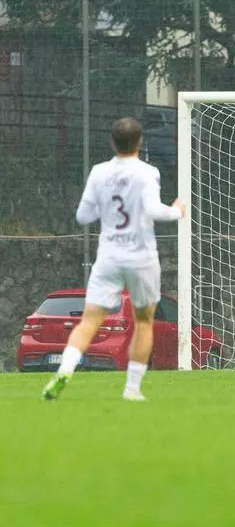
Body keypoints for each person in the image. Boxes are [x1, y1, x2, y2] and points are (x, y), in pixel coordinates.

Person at [42, 117, 185, 401]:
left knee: (89, 321)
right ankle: (132, 389)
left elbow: (83, 216)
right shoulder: (148, 172)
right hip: (141, 256)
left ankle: (64, 372)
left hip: (109, 256)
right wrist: (177, 211)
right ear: (140, 142)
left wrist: (104, 210)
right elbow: (154, 210)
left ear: (111, 142)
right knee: (144, 322)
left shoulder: (98, 172)